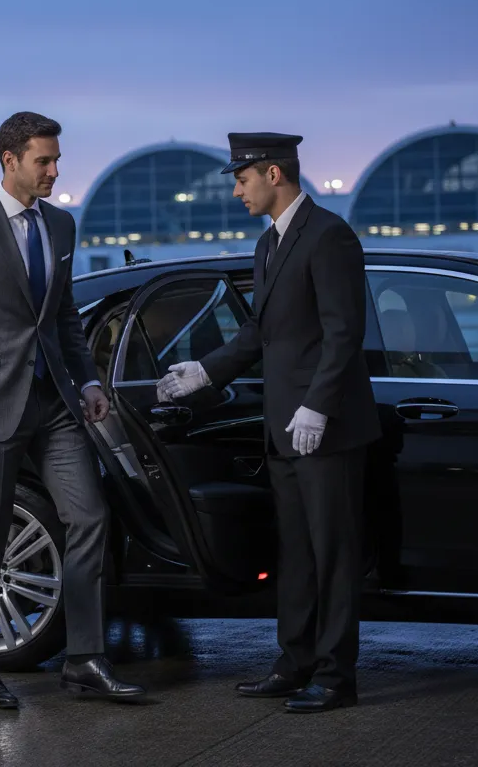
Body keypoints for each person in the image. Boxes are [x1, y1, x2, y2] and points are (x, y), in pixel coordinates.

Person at [0, 111, 145, 709]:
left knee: (89, 519)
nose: (53, 171)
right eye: (43, 160)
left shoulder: (62, 226)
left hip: (56, 404)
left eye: (56, 160)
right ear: (9, 160)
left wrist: (90, 379)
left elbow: (64, 317)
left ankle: (85, 658)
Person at [158, 132, 380, 713]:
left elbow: (343, 333)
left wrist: (319, 403)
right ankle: (296, 662)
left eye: (242, 179)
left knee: (333, 553)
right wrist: (204, 372)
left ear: (274, 174)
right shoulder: (268, 246)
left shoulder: (329, 235)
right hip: (282, 427)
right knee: (297, 553)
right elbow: (260, 334)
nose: (237, 191)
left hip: (324, 428)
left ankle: (336, 678)